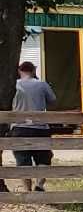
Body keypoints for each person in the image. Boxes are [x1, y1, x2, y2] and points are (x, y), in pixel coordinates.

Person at [8, 62, 57, 191]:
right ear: (33, 70)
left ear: (19, 70)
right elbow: (52, 100)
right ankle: (39, 185)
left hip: (19, 128)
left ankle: (27, 191)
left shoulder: (15, 85)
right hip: (40, 127)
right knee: (44, 158)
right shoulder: (41, 84)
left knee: (22, 160)